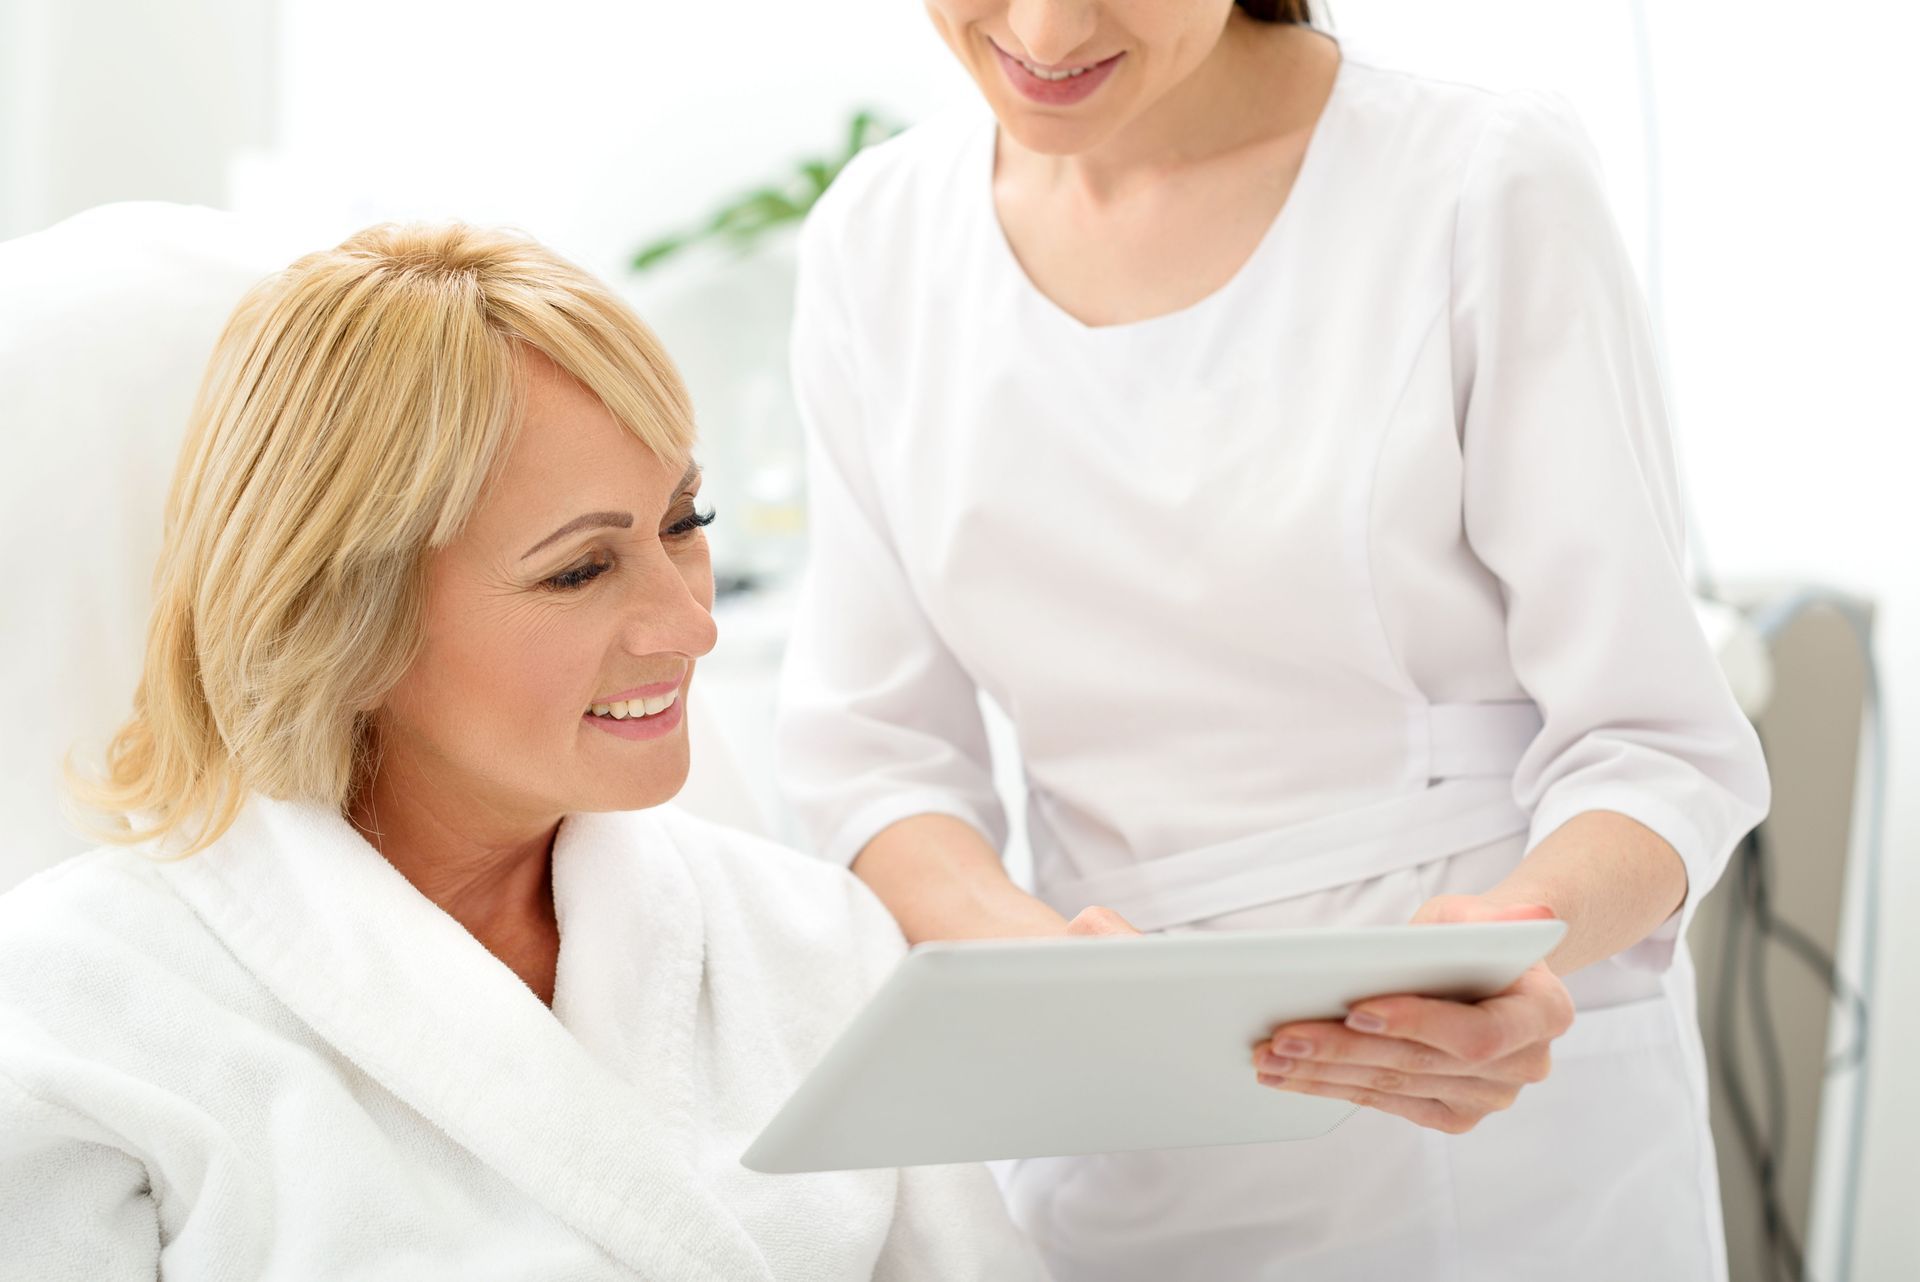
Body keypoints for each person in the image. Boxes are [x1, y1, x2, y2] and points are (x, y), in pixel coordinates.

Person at [775, 2, 1771, 1278]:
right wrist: (1045, 977)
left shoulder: (1474, 177)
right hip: (1120, 1134)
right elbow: (875, 759)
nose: (1043, 26)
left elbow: (1658, 742)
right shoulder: (880, 240)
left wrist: (1498, 950)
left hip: (1484, 1126)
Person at [0, 223, 1048, 1281]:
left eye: (686, 521)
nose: (692, 623)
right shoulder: (70, 1010)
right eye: (581, 570)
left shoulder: (814, 941)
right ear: (347, 620)